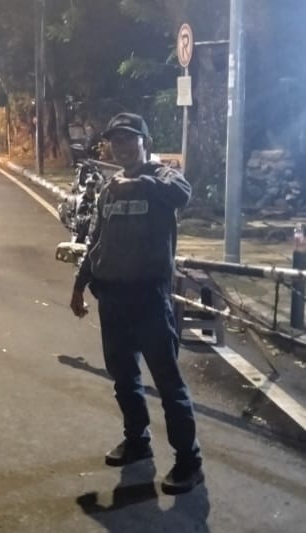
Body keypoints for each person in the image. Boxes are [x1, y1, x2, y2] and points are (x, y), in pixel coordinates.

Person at [69, 112, 203, 495]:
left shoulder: (163, 177)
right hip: (112, 299)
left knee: (168, 383)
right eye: (116, 140)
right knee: (124, 378)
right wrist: (79, 285)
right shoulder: (110, 188)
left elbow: (182, 194)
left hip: (149, 299)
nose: (122, 146)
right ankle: (137, 441)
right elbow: (97, 240)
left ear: (145, 142)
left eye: (129, 139)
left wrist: (140, 182)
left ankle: (189, 461)